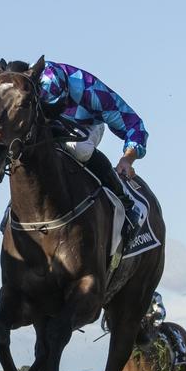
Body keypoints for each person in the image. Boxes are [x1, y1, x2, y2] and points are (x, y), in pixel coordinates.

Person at [36, 59, 148, 242]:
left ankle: (126, 203)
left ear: (66, 92)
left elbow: (134, 125)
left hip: (85, 125)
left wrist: (127, 159)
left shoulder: (92, 92)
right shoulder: (29, 80)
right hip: (45, 125)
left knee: (77, 148)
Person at [145, 291, 186, 366]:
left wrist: (153, 317)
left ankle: (180, 354)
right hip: (139, 323)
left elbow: (160, 309)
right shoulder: (134, 294)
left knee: (168, 330)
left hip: (153, 321)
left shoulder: (155, 295)